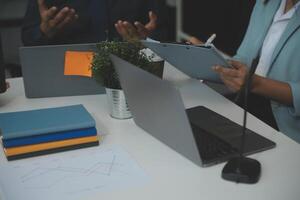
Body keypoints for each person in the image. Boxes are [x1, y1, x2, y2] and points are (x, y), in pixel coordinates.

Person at [190, 0, 300, 142]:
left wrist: (255, 84)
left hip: (285, 127)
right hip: (247, 103)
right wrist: (211, 58)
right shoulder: (266, 3)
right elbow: (244, 59)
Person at [22, 0, 168, 46]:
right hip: (66, 80)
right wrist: (44, 32)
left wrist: (144, 42)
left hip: (130, 77)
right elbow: (28, 39)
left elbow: (160, 32)